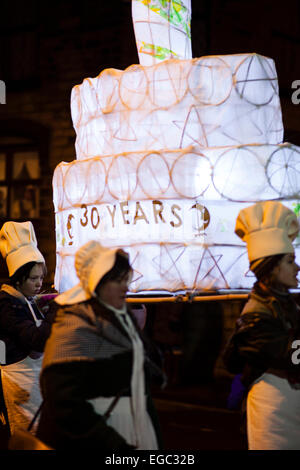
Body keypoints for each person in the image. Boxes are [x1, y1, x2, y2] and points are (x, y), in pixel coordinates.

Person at [37, 240, 164, 450]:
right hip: (102, 435)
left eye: (126, 279)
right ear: (99, 284)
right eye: (118, 280)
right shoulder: (75, 324)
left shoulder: (122, 318)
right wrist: (111, 443)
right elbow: (63, 399)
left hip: (134, 429)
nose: (126, 286)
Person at [224, 200, 300, 450]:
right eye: (290, 261)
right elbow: (292, 355)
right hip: (274, 412)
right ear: (271, 267)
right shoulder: (256, 317)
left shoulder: (287, 304)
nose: (297, 267)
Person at [0, 221, 55, 436]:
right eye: (33, 278)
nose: (39, 283)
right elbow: (37, 339)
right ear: (18, 278)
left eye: (41, 277)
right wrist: (55, 310)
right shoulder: (6, 305)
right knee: (25, 437)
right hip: (18, 384)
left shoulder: (28, 300)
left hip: (35, 385)